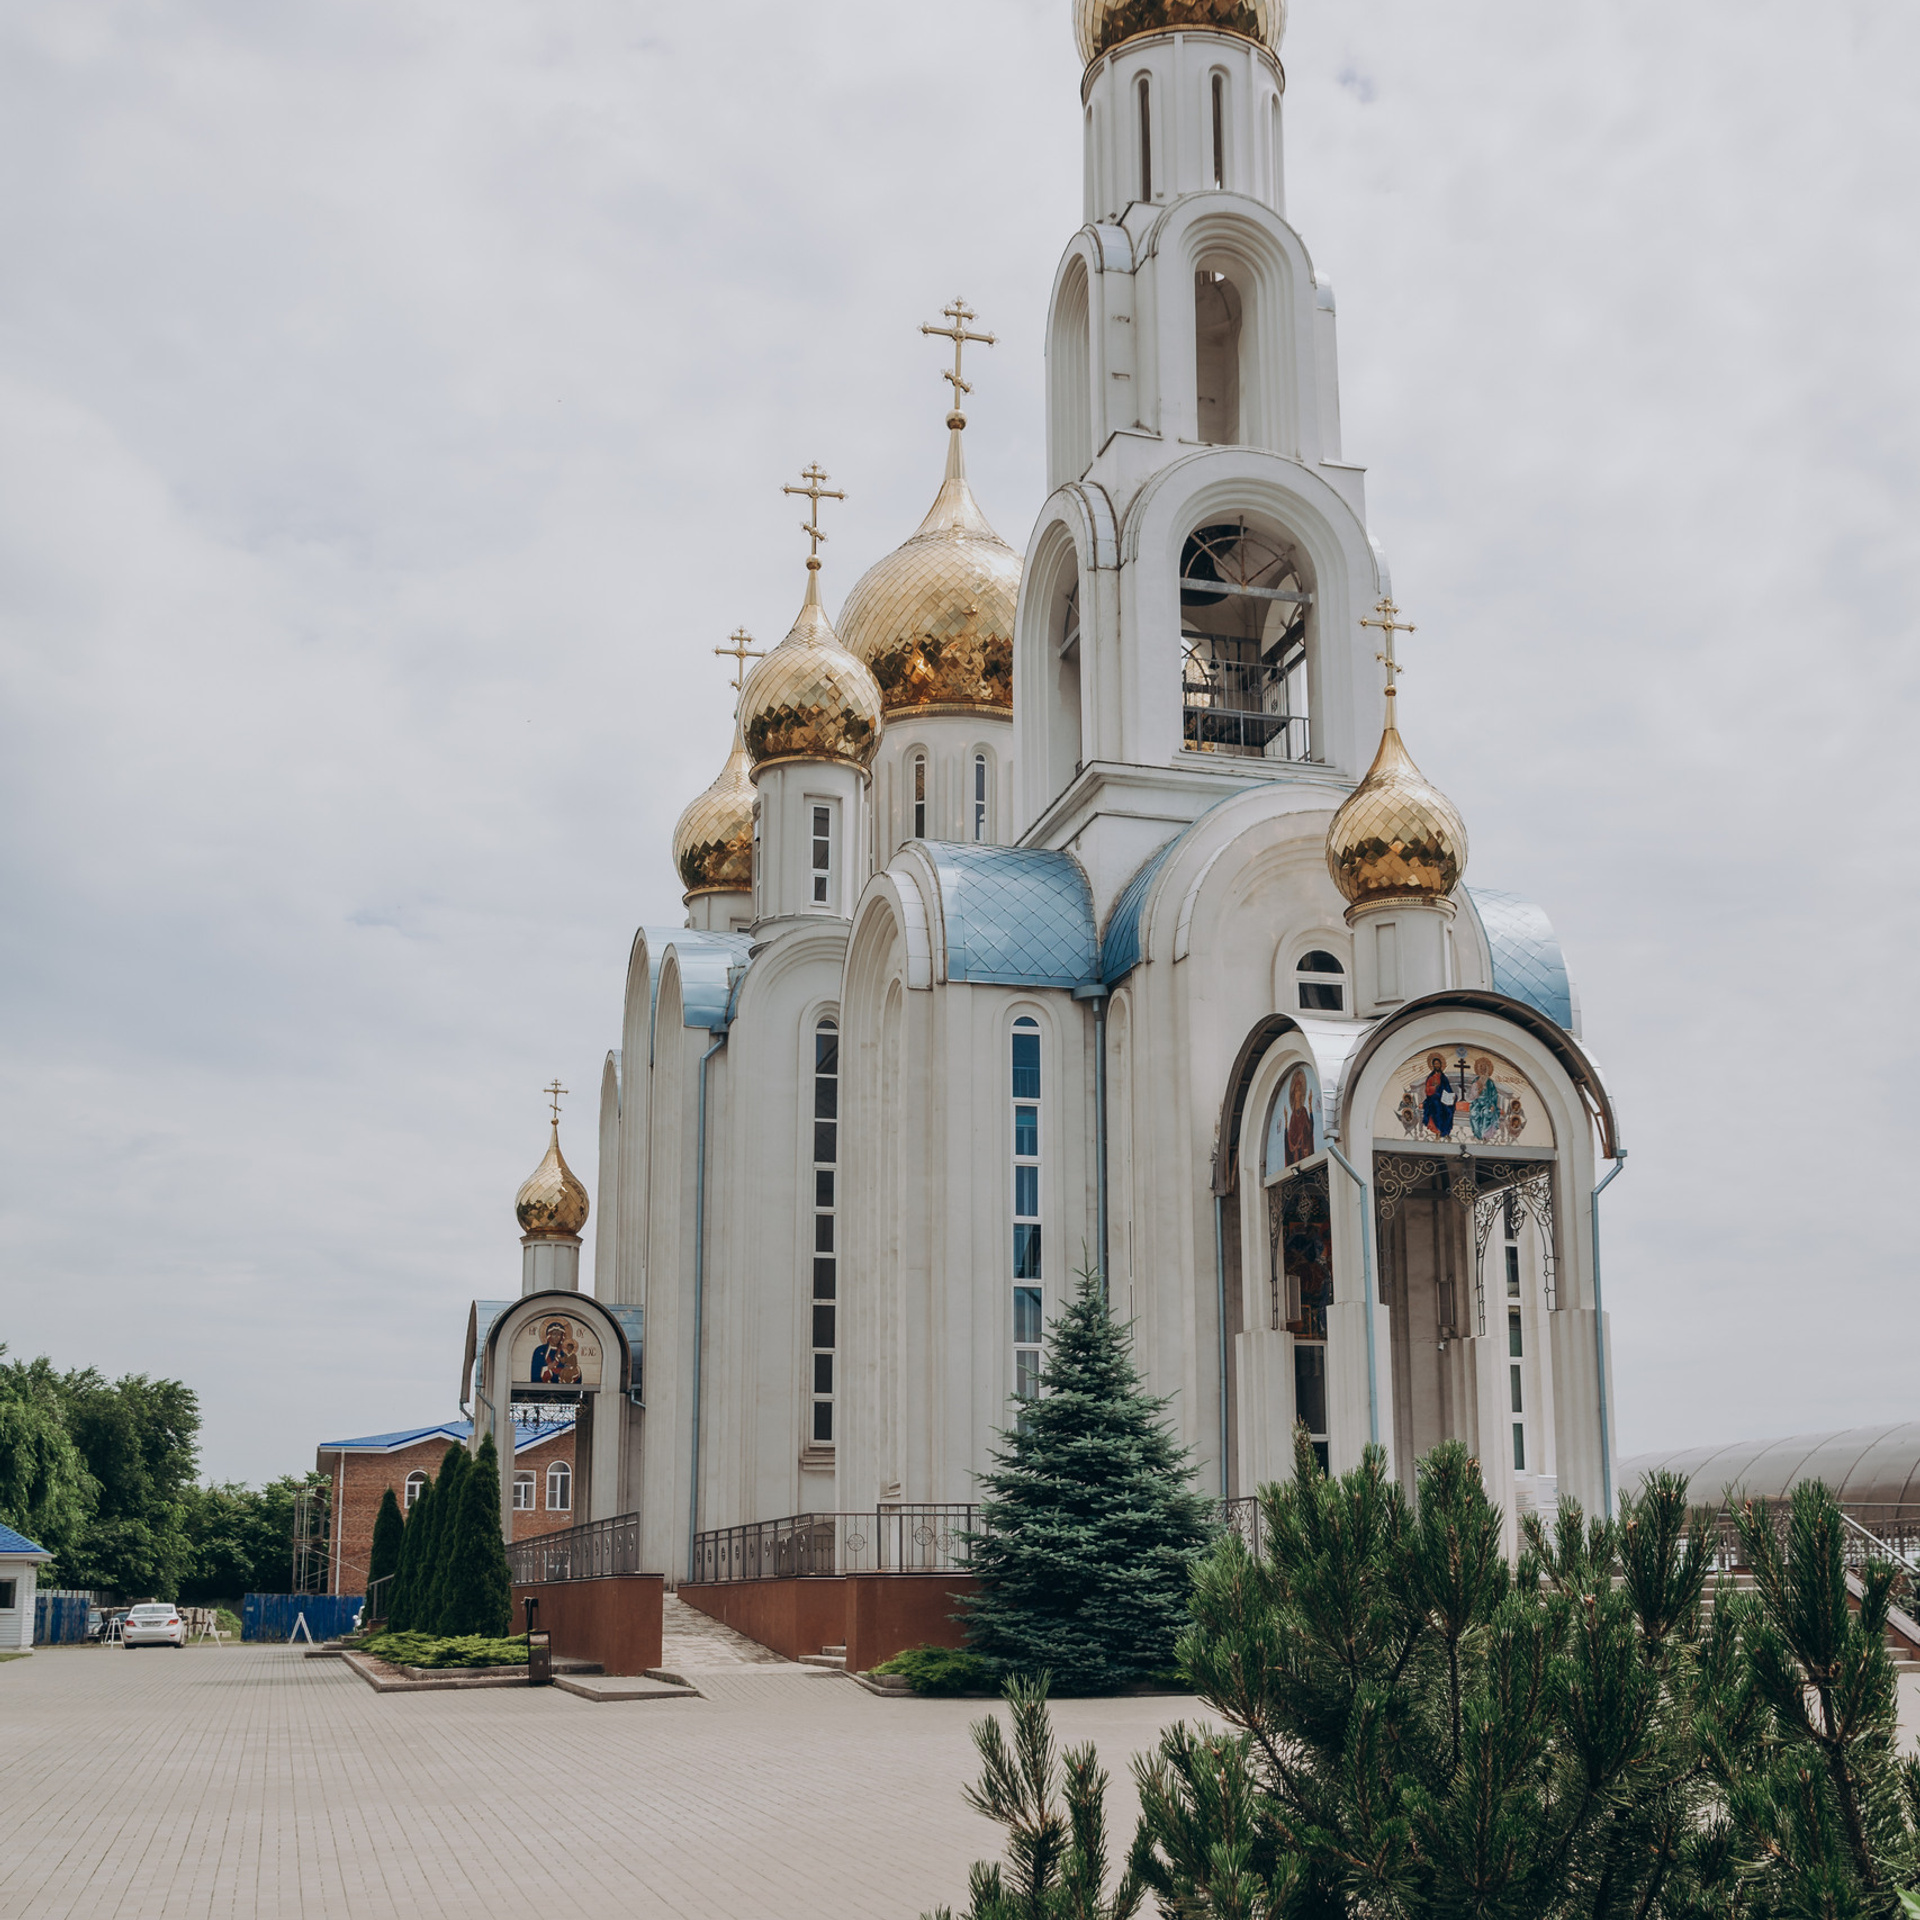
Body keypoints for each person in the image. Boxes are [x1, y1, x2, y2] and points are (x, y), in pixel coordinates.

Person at [1284, 1070, 1317, 1165]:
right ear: (1294, 1095)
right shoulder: (1293, 1116)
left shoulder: (1304, 1111)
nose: (1298, 1093)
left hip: (1304, 1149)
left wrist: (1310, 1105)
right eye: (1296, 1091)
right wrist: (1286, 1120)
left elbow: (1310, 1128)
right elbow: (1290, 1136)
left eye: (1299, 1091)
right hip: (1296, 1152)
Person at [1420, 1053, 1457, 1139]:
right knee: (1437, 1108)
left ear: (1441, 1065)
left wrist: (1453, 1096)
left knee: (1449, 1110)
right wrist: (1434, 1087)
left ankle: (1446, 1132)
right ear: (1433, 1065)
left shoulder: (1444, 1077)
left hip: (1444, 1098)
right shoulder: (1431, 1077)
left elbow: (1448, 1089)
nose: (1437, 1065)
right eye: (1435, 1064)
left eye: (1438, 1063)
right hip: (1434, 1098)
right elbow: (1427, 1090)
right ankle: (1438, 1132)